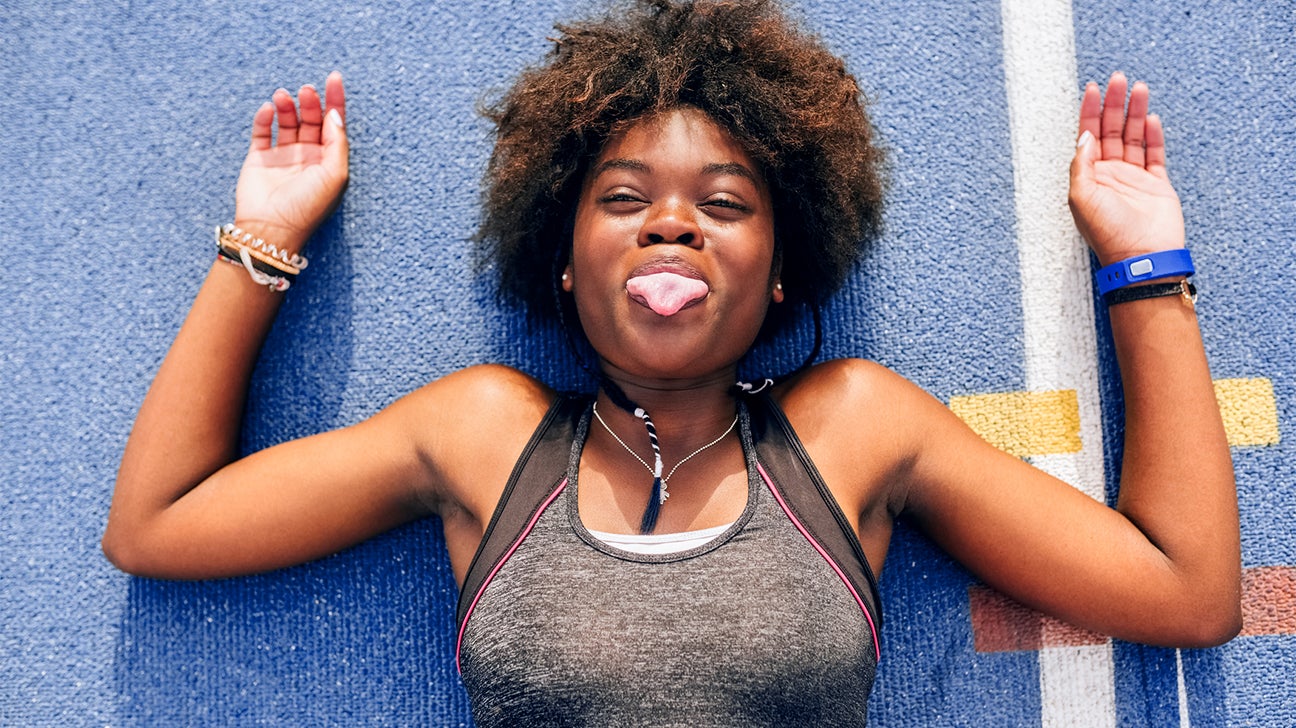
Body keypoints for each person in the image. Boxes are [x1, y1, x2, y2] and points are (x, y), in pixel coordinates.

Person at [103, 0, 1240, 722]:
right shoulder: (483, 433)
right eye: (625, 198)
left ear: (785, 269)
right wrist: (263, 244)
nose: (672, 224)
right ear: (561, 258)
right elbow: (156, 523)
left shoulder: (852, 427)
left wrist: (1145, 269)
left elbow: (1186, 593)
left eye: (726, 203)